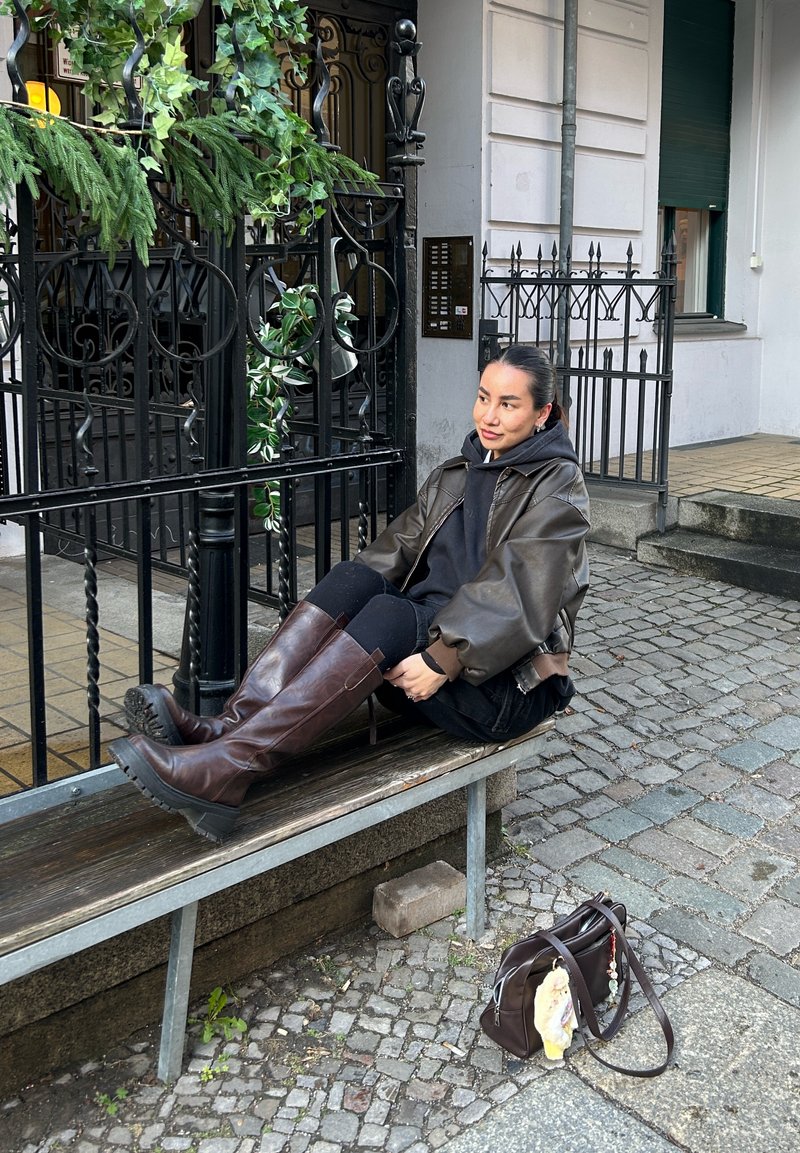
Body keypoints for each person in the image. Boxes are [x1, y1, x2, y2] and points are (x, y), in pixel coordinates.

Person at [109, 345, 590, 842]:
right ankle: (228, 727)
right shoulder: (458, 474)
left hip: (505, 686)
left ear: (543, 413)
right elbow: (386, 557)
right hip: (419, 668)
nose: (488, 416)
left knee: (389, 613)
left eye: (508, 404)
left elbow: (519, 596)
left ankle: (230, 768)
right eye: (484, 397)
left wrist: (443, 657)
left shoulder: (559, 491)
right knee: (353, 579)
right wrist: (350, 608)